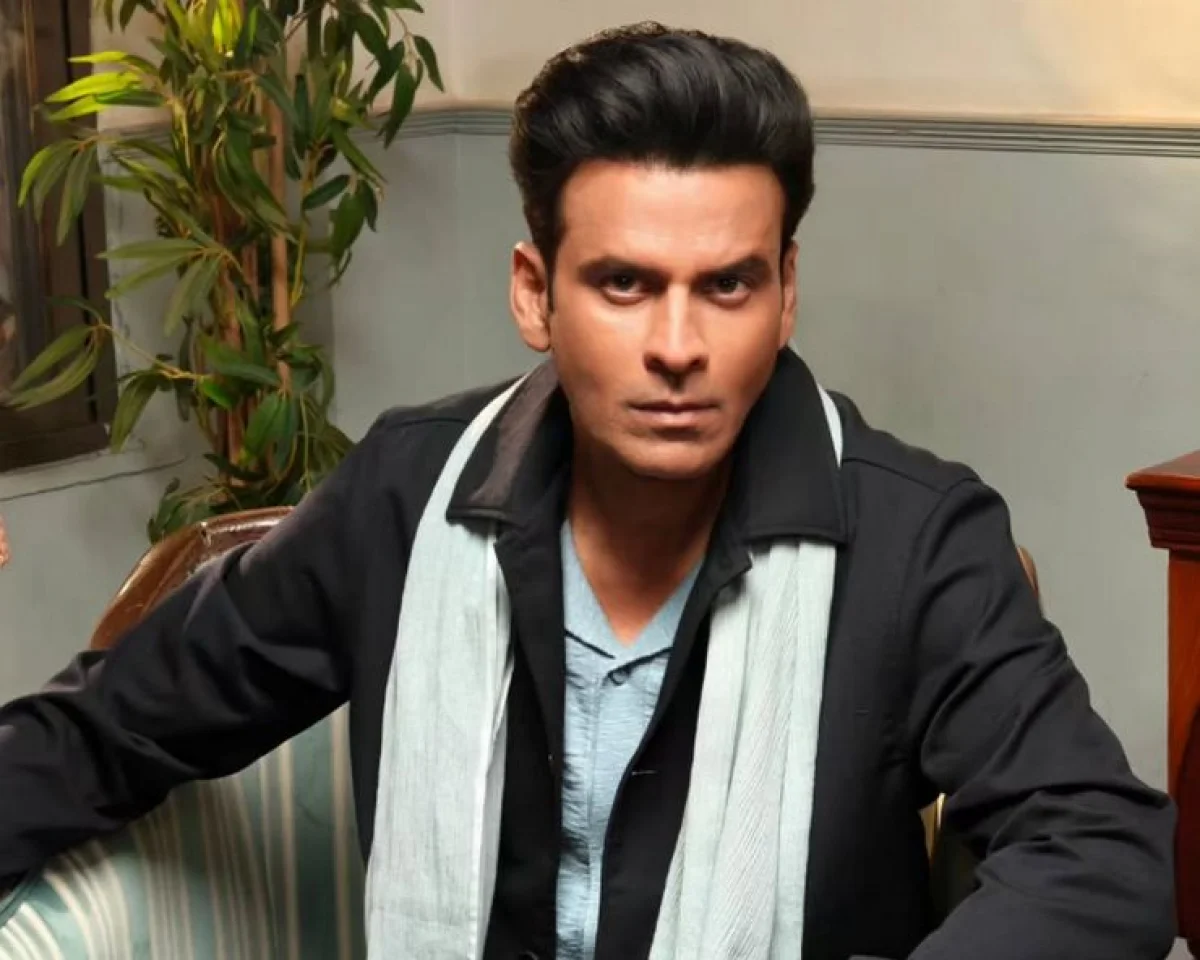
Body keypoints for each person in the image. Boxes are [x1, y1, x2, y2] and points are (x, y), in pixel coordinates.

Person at [0, 22, 1175, 960]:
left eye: (727, 286)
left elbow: (1102, 851)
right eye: (624, 284)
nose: (678, 346)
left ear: (786, 292)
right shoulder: (408, 497)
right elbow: (111, 729)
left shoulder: (915, 538)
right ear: (535, 292)